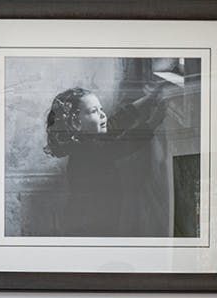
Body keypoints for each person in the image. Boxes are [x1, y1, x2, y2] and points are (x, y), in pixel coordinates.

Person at [40, 61, 196, 238]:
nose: (102, 114)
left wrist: (149, 99)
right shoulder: (88, 150)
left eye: (101, 109)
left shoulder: (88, 138)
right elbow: (125, 144)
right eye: (93, 111)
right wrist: (154, 121)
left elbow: (117, 121)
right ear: (76, 123)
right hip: (90, 218)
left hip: (97, 213)